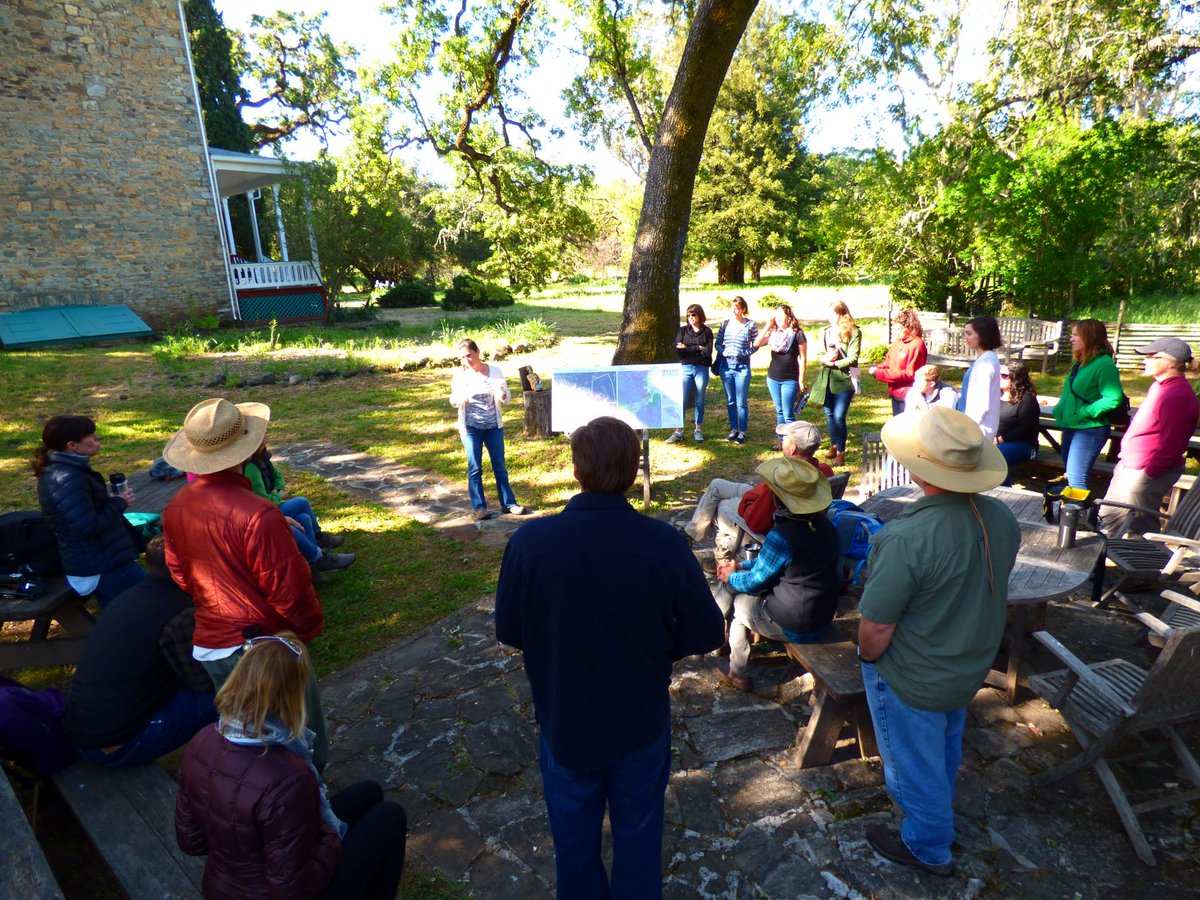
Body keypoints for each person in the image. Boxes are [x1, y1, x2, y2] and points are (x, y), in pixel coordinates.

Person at [495, 416, 724, 898]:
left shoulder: (530, 544)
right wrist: (660, 648)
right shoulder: (663, 543)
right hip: (638, 715)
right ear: (632, 470)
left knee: (574, 845)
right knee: (639, 839)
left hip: (565, 717)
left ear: (577, 471)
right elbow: (706, 631)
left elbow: (509, 630)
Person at [858, 406, 1020, 876]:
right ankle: (938, 812)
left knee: (913, 764)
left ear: (918, 467)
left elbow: (875, 632)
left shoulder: (906, 537)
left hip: (915, 674)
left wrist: (869, 661)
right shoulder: (1001, 517)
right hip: (967, 662)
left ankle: (929, 845)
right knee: (944, 743)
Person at [161, 397, 330, 771]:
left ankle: (273, 808)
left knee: (251, 743)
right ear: (247, 445)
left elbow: (180, 574)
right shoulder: (258, 514)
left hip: (213, 645)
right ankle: (315, 813)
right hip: (263, 648)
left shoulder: (177, 506)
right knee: (303, 737)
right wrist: (303, 634)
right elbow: (290, 589)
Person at [175, 634, 408, 900]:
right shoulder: (287, 776)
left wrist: (242, 847)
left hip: (225, 887)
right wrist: (330, 838)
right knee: (391, 816)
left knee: (370, 792)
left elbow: (190, 842)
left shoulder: (203, 740)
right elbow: (292, 891)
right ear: (292, 695)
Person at [63, 535, 216, 768]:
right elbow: (203, 682)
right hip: (118, 745)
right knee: (233, 691)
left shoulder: (128, 596)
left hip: (81, 731)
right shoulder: (180, 611)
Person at [712, 456, 838, 692]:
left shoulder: (782, 535)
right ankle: (711, 631)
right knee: (733, 584)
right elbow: (769, 564)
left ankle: (737, 672)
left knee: (738, 605)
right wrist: (738, 567)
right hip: (822, 614)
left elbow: (754, 582)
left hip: (797, 624)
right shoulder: (824, 525)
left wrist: (730, 576)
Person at [34, 414, 145, 610]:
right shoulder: (66, 478)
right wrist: (119, 503)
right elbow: (87, 526)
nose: (97, 439)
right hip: (100, 566)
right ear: (72, 445)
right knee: (152, 605)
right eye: (91, 436)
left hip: (106, 559)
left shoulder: (66, 471)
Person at [682, 421, 834, 561]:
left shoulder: (783, 483)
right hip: (761, 496)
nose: (781, 441)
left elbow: (756, 522)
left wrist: (748, 500)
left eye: (784, 438)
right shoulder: (824, 473)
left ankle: (720, 554)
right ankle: (692, 536)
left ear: (793, 448)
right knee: (717, 485)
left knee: (721, 506)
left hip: (765, 514)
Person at [1098, 338, 1200, 535]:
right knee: (1108, 516)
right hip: (1131, 466)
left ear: (1171, 362)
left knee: (1139, 526)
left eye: (1152, 357)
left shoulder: (1178, 395)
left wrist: (1149, 474)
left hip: (1146, 472)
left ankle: (1142, 564)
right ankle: (1101, 558)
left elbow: (1173, 444)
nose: (1145, 360)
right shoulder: (1160, 386)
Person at [244, 425, 355, 579]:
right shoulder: (251, 469)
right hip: (266, 511)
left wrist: (278, 489)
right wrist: (279, 495)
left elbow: (278, 477)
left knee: (304, 518)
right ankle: (319, 541)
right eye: (263, 437)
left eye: (266, 436)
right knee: (301, 502)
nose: (266, 439)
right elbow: (263, 501)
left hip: (271, 507)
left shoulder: (263, 458)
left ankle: (313, 565)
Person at [449, 338, 529, 521]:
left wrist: (503, 395)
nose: (466, 360)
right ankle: (479, 508)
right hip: (471, 428)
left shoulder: (494, 371)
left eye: (469, 355)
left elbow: (506, 395)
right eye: (462, 357)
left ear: (477, 352)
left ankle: (509, 504)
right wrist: (459, 398)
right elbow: (453, 400)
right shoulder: (460, 375)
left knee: (500, 466)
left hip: (494, 426)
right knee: (475, 467)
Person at [1052, 319, 1124, 490]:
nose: (1071, 339)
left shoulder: (1104, 364)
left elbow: (1113, 398)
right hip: (1071, 425)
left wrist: (1086, 411)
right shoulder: (1082, 362)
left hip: (1090, 429)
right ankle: (1070, 514)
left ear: (1090, 337)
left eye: (1076, 335)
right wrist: (1060, 410)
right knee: (1071, 476)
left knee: (1076, 478)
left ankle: (1079, 515)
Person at [811, 300, 861, 467]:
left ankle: (841, 451)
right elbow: (819, 352)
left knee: (839, 416)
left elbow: (853, 358)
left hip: (845, 379)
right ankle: (833, 445)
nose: (831, 318)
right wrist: (824, 359)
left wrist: (834, 363)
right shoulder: (825, 332)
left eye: (835, 314)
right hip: (827, 378)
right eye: (830, 314)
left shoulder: (853, 332)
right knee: (829, 414)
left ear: (842, 314)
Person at [714, 296, 760, 444]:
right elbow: (718, 343)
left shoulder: (750, 325)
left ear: (743, 309)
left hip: (742, 367)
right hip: (726, 366)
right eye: (732, 308)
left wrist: (744, 353)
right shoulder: (725, 324)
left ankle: (742, 431)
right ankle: (734, 428)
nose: (734, 311)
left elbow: (756, 344)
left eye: (737, 308)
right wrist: (723, 351)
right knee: (730, 401)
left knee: (741, 401)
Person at [754, 303, 807, 430]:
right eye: (776, 315)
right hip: (773, 378)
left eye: (781, 315)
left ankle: (792, 442)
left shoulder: (797, 334)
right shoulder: (774, 333)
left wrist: (801, 380)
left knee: (788, 413)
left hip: (790, 379)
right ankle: (781, 441)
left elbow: (803, 358)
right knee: (779, 411)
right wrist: (767, 325)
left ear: (789, 317)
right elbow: (756, 343)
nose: (777, 318)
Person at [666, 304, 713, 444]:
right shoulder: (683, 331)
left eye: (693, 315)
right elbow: (679, 350)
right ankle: (678, 431)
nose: (691, 318)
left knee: (699, 400)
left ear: (699, 316)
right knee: (681, 400)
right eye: (688, 315)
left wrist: (688, 348)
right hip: (685, 368)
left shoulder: (707, 332)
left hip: (701, 368)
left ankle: (698, 429)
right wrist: (697, 347)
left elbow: (707, 352)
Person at [871, 309, 928, 416]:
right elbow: (888, 363)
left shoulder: (917, 344)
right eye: (895, 328)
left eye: (900, 328)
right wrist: (877, 369)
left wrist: (880, 374)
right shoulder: (898, 342)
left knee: (907, 428)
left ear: (910, 327)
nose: (897, 331)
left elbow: (910, 373)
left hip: (908, 393)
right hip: (895, 391)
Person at [955, 315, 1003, 440]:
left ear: (983, 334)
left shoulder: (986, 362)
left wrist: (968, 427)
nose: (966, 338)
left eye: (969, 334)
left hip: (977, 429)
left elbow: (982, 402)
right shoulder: (984, 359)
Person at [995, 363, 1040, 486]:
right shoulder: (995, 396)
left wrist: (999, 440)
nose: (999, 378)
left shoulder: (1027, 399)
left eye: (1004, 376)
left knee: (997, 457)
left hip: (1024, 444)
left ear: (1016, 378)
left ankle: (1002, 494)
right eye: (998, 374)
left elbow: (1026, 429)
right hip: (995, 441)